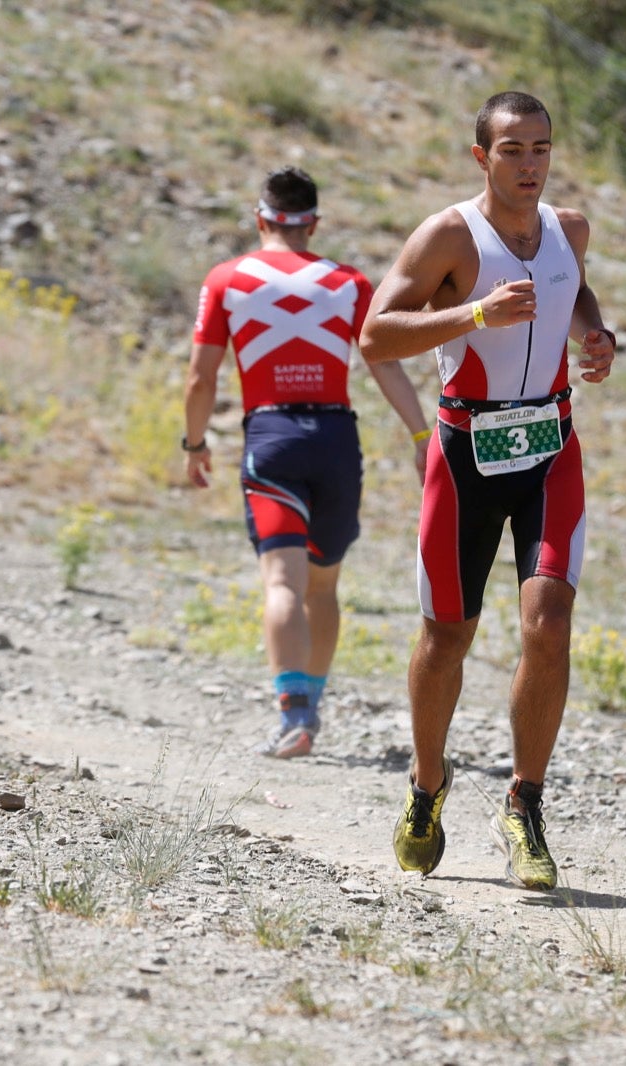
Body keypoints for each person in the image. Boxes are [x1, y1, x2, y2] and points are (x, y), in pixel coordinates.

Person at [359, 91, 617, 891]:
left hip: (550, 445)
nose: (530, 164)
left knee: (550, 620)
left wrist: (596, 335)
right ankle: (428, 786)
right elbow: (374, 335)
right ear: (482, 157)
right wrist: (473, 314)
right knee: (447, 637)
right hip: (467, 453)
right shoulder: (448, 234)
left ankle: (525, 805)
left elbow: (571, 289)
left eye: (540, 148)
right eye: (513, 150)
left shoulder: (569, 228)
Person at [184, 165, 430, 759]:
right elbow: (385, 364)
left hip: (271, 435)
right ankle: (311, 704)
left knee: (281, 582)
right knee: (324, 585)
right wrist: (423, 434)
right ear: (313, 222)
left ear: (260, 217)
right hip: (336, 439)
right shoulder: (348, 282)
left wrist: (194, 445)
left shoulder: (227, 278)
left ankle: (294, 718)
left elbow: (201, 376)